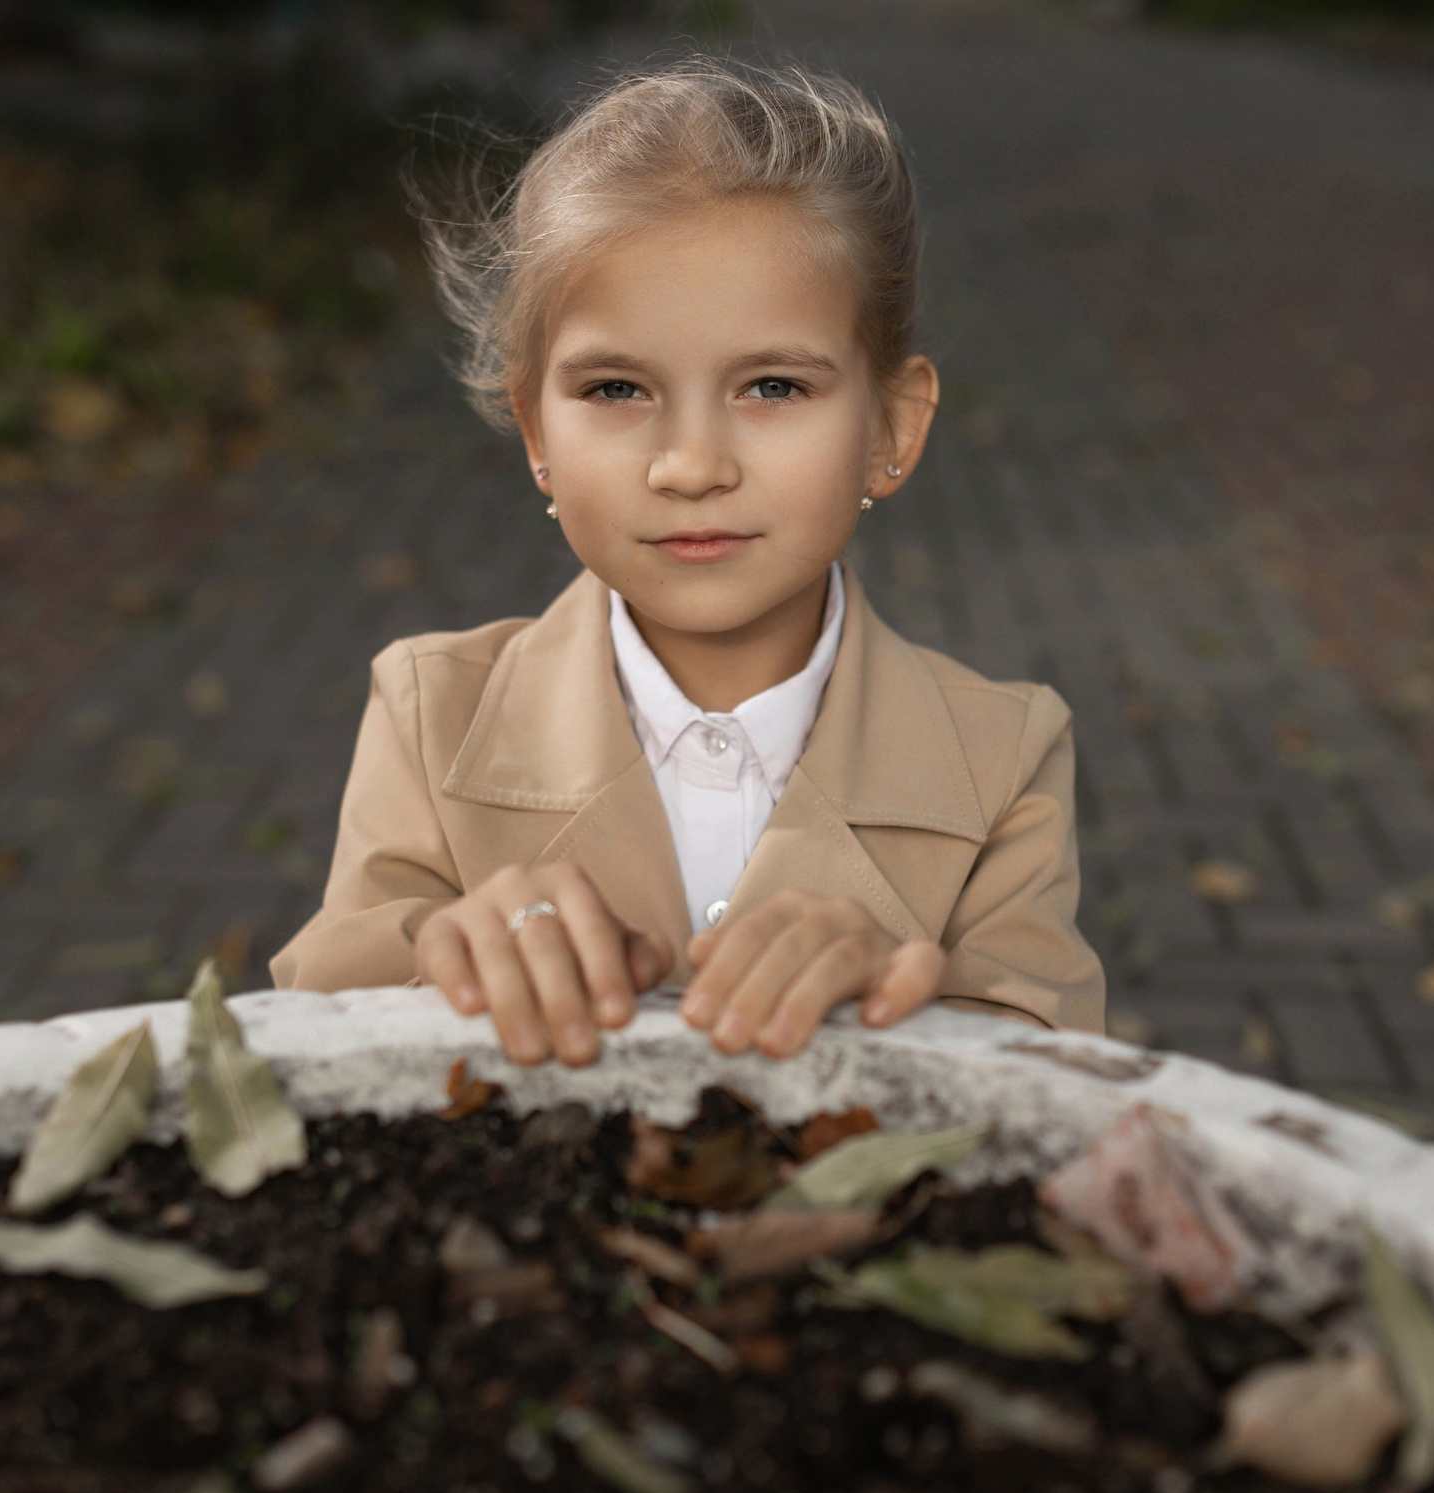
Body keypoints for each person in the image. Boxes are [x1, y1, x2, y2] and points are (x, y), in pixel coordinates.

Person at [271, 59, 1104, 1065]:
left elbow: (1063, 1086)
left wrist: (896, 1001)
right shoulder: (429, 712)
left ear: (891, 423)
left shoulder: (1000, 757)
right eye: (618, 389)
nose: (691, 465)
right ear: (536, 427)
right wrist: (444, 965)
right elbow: (310, 1046)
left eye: (772, 387)